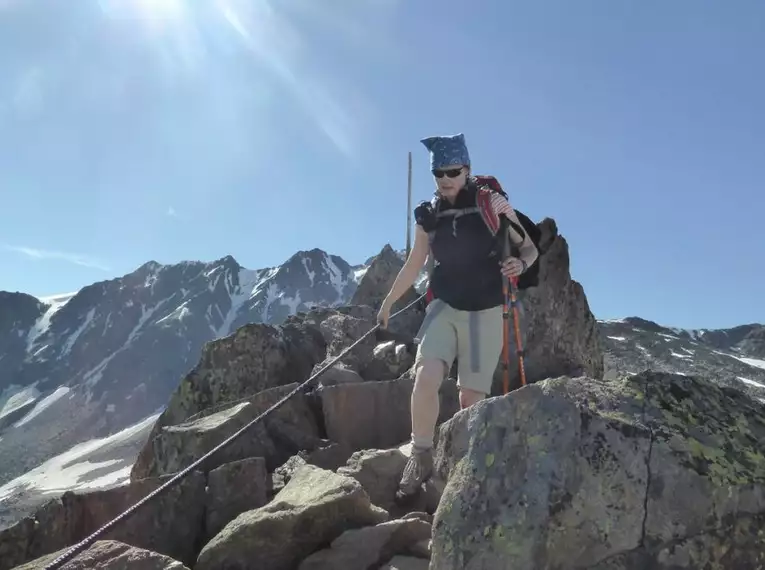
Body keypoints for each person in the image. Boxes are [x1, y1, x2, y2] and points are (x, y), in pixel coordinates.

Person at [377, 133, 539, 502]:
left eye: (453, 171)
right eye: (439, 172)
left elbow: (528, 248)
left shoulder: (492, 203)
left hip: (486, 309)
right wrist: (388, 302)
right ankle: (420, 456)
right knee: (426, 377)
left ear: (467, 170)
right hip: (444, 305)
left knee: (471, 399)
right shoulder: (428, 215)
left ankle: (468, 466)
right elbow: (416, 261)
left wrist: (519, 263)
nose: (446, 178)